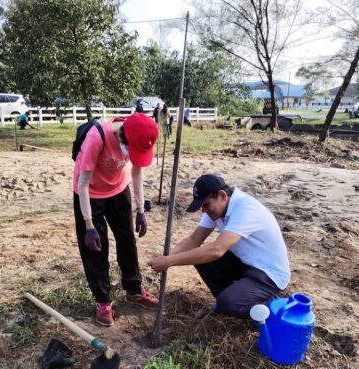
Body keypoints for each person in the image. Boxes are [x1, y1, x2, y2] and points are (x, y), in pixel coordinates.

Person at [148, 174, 290, 319]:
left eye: (206, 204)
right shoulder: (217, 210)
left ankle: (267, 308)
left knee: (228, 303)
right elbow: (193, 240)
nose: (203, 210)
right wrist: (167, 258)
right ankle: (238, 296)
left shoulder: (245, 209)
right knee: (201, 259)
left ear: (222, 195)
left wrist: (170, 261)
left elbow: (217, 250)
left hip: (268, 274)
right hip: (246, 263)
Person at [74, 113, 160, 326]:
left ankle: (133, 290)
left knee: (127, 240)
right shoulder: (97, 137)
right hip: (89, 194)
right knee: (95, 248)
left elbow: (136, 173)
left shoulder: (139, 137)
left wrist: (140, 210)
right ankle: (102, 300)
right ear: (123, 137)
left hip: (119, 190)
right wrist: (88, 225)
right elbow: (83, 184)